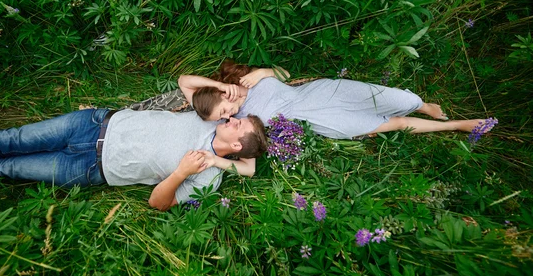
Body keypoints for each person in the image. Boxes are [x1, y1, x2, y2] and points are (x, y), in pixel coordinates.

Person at [178, 60, 493, 175]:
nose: (228, 114)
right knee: (390, 124)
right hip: (321, 122)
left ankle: (423, 105)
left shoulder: (249, 81)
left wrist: (259, 72)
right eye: (223, 117)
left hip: (324, 93)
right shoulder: (242, 120)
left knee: (403, 99)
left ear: (219, 93)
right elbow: (183, 87)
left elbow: (287, 75)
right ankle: (455, 125)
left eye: (223, 108)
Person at [0, 108, 267, 211]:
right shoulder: (211, 115)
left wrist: (181, 172)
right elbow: (186, 83)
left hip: (88, 168)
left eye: (239, 124)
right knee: (12, 138)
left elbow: (157, 204)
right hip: (92, 123)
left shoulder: (209, 179)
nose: (233, 118)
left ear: (237, 145)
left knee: (10, 166)